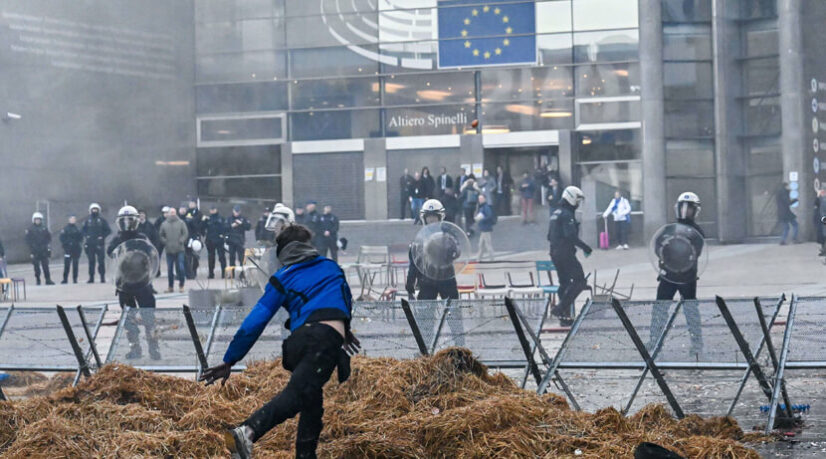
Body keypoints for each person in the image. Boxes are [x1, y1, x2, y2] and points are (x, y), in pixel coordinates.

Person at [199, 225, 359, 459]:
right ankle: (248, 431)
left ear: (282, 252)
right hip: (323, 342)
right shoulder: (331, 267)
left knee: (312, 400)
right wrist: (345, 327)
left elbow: (255, 321)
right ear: (308, 245)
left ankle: (306, 455)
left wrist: (230, 359)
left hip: (297, 343)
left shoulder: (282, 277)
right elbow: (345, 300)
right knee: (298, 393)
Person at [649, 192, 705, 357]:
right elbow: (658, 245)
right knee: (660, 308)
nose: (685, 211)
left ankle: (696, 343)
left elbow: (696, 252)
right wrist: (663, 255)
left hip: (687, 276)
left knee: (690, 310)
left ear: (695, 211)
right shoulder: (669, 228)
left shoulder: (696, 231)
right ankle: (654, 339)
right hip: (669, 274)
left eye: (689, 208)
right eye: (683, 207)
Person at [405, 199, 465, 345]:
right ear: (424, 218)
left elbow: (457, 252)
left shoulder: (449, 235)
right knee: (425, 318)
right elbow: (414, 262)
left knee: (453, 315)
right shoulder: (418, 239)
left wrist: (447, 246)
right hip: (426, 282)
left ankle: (460, 348)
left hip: (446, 280)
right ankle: (425, 350)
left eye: (434, 217)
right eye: (429, 217)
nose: (432, 220)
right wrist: (410, 282)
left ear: (440, 217)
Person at [107, 206, 160, 360]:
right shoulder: (117, 239)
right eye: (124, 221)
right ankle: (135, 348)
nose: (127, 224)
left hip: (142, 281)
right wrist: (120, 245)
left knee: (149, 317)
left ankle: (154, 348)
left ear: (136, 221)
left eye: (130, 220)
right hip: (124, 283)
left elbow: (152, 252)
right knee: (129, 320)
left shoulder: (142, 238)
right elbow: (110, 253)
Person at [547, 186, 592, 325]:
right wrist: (586, 248)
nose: (578, 203)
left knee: (565, 283)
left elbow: (549, 236)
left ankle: (565, 319)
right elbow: (570, 235)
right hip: (565, 253)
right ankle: (560, 309)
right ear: (571, 197)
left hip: (554, 253)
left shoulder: (555, 212)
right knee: (580, 281)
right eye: (577, 200)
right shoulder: (566, 214)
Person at [159, 207, 188, 293]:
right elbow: (161, 235)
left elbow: (185, 233)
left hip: (180, 249)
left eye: (174, 212)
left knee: (181, 267)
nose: (172, 214)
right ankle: (170, 286)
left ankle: (181, 285)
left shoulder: (181, 223)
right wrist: (165, 241)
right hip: (169, 250)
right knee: (170, 269)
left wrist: (181, 240)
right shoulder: (164, 224)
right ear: (168, 213)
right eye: (171, 212)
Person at [83, 203, 111, 283]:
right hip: (90, 244)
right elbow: (83, 230)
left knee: (101, 261)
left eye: (96, 209)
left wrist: (102, 236)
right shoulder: (87, 221)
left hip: (100, 244)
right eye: (93, 209)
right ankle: (91, 277)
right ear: (90, 210)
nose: (94, 211)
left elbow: (108, 230)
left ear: (99, 210)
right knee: (91, 261)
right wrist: (86, 236)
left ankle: (102, 277)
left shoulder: (102, 220)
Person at [25, 212, 54, 285]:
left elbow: (49, 237)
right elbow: (28, 240)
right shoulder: (30, 229)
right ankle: (38, 280)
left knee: (46, 266)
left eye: (39, 219)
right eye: (36, 219)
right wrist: (32, 250)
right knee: (36, 267)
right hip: (35, 251)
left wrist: (46, 245)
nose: (38, 221)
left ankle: (48, 279)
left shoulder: (44, 228)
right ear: (33, 220)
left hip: (43, 250)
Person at [204, 205, 228, 279]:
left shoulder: (221, 218)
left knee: (222, 257)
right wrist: (203, 221)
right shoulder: (208, 219)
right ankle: (211, 273)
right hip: (210, 241)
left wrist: (223, 236)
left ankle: (224, 273)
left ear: (216, 210)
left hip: (219, 240)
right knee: (211, 258)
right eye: (211, 209)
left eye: (213, 209)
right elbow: (202, 228)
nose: (212, 211)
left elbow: (225, 228)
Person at [59, 215, 83, 284]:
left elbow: (80, 238)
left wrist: (78, 245)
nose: (73, 220)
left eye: (74, 219)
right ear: (69, 220)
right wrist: (66, 245)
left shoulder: (77, 229)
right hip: (68, 249)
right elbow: (62, 238)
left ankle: (75, 279)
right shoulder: (65, 229)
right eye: (71, 219)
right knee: (67, 265)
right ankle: (65, 279)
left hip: (76, 249)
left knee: (75, 265)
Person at [474, 194, 496, 261]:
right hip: (484, 228)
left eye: (481, 198)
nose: (480, 200)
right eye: (479, 199)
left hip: (486, 228)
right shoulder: (482, 207)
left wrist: (481, 219)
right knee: (481, 245)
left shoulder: (485, 207)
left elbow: (489, 216)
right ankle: (479, 258)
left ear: (485, 199)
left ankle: (491, 258)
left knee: (487, 244)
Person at [153, 206, 169, 277]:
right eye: (164, 213)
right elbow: (155, 228)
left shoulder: (170, 219)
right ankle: (157, 271)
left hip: (169, 240)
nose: (166, 214)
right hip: (160, 240)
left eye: (167, 213)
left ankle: (170, 271)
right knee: (157, 255)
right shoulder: (159, 219)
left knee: (170, 256)